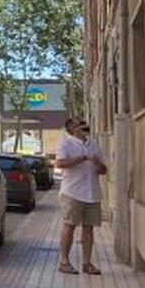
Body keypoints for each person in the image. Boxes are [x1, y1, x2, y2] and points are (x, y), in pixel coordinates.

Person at [55, 117, 107, 275]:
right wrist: (82, 158)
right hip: (72, 192)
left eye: (85, 124)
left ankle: (87, 263)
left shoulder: (94, 145)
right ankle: (64, 261)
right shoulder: (66, 144)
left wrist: (99, 164)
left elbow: (104, 171)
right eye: (81, 125)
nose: (85, 126)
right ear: (73, 129)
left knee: (89, 229)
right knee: (69, 225)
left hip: (92, 193)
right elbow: (60, 164)